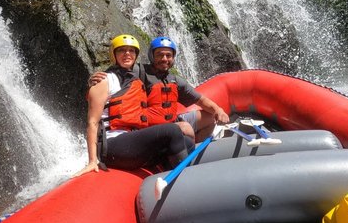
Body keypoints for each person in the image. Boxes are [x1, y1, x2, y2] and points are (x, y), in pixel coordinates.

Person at [73, 34, 192, 178]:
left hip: (131, 142)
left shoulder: (135, 79)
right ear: (114, 54)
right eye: (122, 50)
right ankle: (187, 181)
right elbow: (92, 122)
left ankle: (168, 184)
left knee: (187, 142)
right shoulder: (104, 80)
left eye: (131, 51)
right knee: (172, 130)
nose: (127, 54)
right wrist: (92, 160)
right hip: (113, 145)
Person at [89, 36, 230, 143]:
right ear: (152, 56)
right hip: (148, 127)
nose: (164, 59)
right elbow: (119, 70)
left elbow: (201, 100)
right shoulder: (139, 71)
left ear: (173, 58)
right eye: (160, 55)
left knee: (210, 117)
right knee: (186, 128)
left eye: (168, 55)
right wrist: (94, 79)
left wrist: (218, 110)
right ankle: (183, 156)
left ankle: (195, 149)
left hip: (172, 121)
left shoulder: (175, 80)